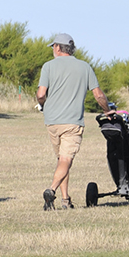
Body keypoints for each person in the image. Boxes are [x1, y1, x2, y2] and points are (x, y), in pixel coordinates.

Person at [35, 33, 112, 210]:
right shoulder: (85, 67)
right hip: (72, 122)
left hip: (52, 121)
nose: (53, 49)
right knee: (66, 160)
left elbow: (40, 94)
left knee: (62, 160)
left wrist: (43, 105)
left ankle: (65, 200)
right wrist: (107, 111)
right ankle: (51, 190)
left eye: (53, 46)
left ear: (58, 47)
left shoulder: (48, 66)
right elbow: (99, 95)